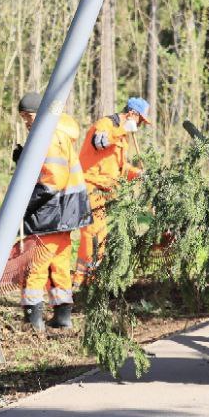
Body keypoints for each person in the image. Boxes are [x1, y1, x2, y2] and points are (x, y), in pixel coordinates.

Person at [14, 92, 92, 332]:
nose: (26, 122)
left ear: (40, 113)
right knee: (59, 264)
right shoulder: (58, 131)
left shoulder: (48, 135)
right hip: (65, 212)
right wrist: (24, 158)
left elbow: (52, 180)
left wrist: (24, 205)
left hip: (50, 212)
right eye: (23, 117)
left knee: (35, 265)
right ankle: (62, 316)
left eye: (28, 116)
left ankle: (33, 322)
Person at [75, 97, 150, 287]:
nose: (140, 125)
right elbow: (98, 142)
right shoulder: (106, 124)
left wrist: (139, 174)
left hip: (105, 190)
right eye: (141, 120)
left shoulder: (123, 137)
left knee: (100, 234)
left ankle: (89, 279)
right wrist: (123, 129)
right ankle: (84, 281)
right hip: (90, 185)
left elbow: (120, 167)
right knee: (93, 234)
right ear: (132, 114)